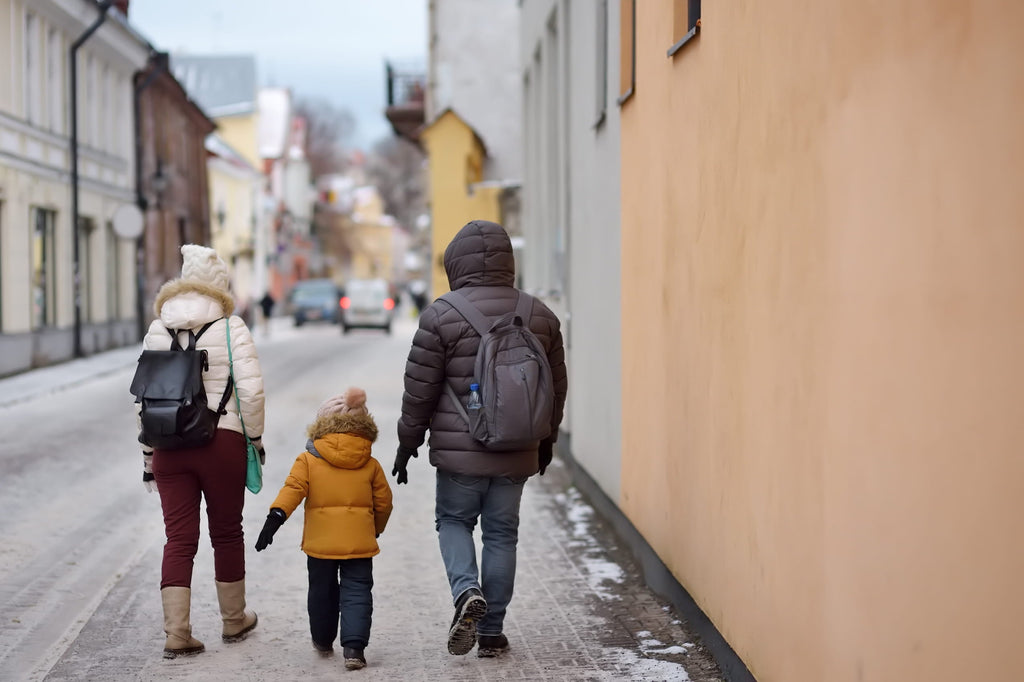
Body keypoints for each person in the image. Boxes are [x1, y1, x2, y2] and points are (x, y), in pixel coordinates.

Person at [392, 220, 567, 658]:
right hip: (518, 451)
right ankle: (491, 632)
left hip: (461, 454)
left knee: (453, 522)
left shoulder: (440, 315)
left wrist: (407, 442)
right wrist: (545, 443)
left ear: (456, 262)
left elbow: (420, 389)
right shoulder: (541, 315)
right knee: (502, 534)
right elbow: (555, 390)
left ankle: (467, 591)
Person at [137, 244, 265, 658]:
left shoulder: (159, 327)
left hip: (168, 445)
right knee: (226, 531)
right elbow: (251, 392)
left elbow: (146, 397)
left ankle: (177, 633)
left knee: (178, 538)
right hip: (221, 440)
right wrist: (256, 442)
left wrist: (147, 455)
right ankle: (233, 621)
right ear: (220, 286)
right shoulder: (232, 327)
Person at [254, 387, 393, 670]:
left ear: (321, 425)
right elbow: (385, 502)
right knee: (357, 591)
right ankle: (354, 648)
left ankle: (322, 639)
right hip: (359, 544)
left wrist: (275, 518)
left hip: (320, 545)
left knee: (321, 590)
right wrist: (375, 529)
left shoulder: (307, 460)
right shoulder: (371, 463)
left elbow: (292, 490)